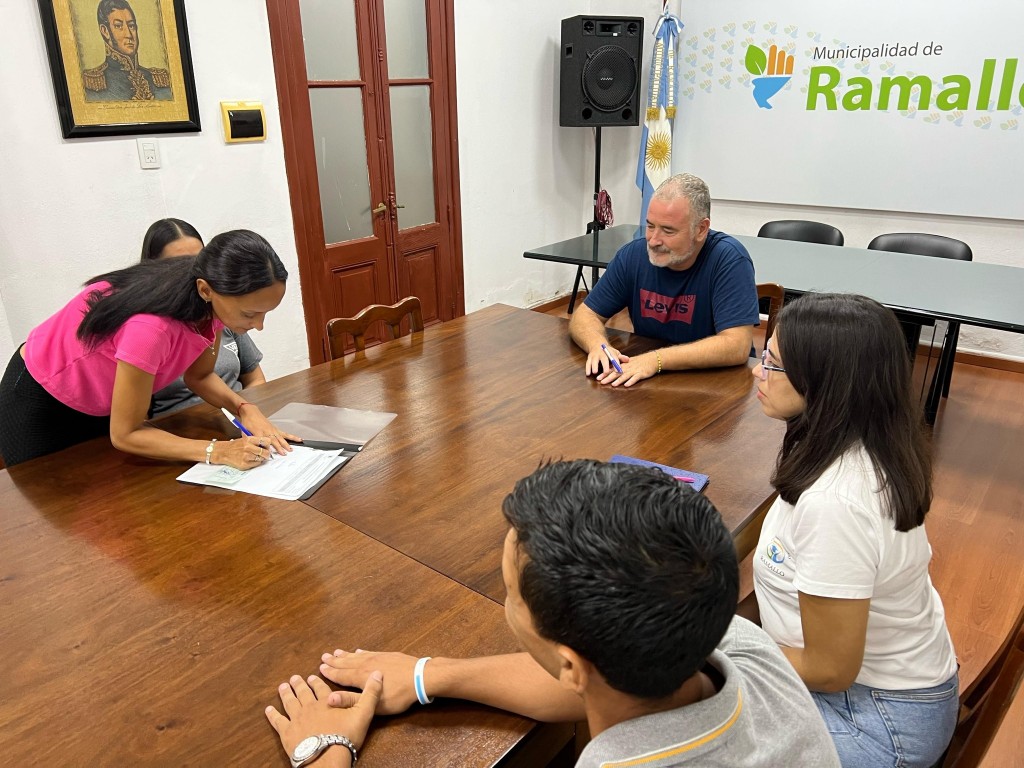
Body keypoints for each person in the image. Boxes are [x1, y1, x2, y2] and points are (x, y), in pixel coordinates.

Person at [266, 460, 840, 768]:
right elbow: (591, 683)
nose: (508, 602)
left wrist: (323, 753)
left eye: (511, 593)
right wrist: (426, 675)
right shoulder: (737, 641)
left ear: (570, 661)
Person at [742, 293, 959, 767]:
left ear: (826, 382)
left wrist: (731, 653)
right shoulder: (860, 444)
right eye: (764, 355)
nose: (758, 372)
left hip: (876, 722)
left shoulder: (835, 501)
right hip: (882, 692)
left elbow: (830, 669)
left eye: (773, 365)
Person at [0, 229, 297, 468]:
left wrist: (245, 408)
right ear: (206, 290)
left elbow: (200, 376)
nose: (259, 326)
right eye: (249, 314)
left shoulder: (209, 305)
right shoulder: (152, 328)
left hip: (100, 401)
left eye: (265, 313)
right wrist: (219, 452)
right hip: (41, 402)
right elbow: (126, 434)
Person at [569, 173, 759, 387]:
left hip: (718, 384)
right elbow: (586, 315)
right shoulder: (633, 256)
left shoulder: (729, 259)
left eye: (668, 230)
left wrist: (656, 360)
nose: (653, 240)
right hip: (649, 381)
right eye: (650, 226)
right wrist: (598, 345)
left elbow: (736, 346)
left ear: (701, 229)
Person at [141, 219, 267, 416]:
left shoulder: (218, 310)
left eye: (197, 261)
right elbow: (133, 426)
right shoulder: (148, 330)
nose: (191, 273)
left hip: (237, 425)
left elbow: (255, 377)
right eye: (178, 264)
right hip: (183, 437)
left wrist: (249, 413)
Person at [82, 0, 172, 102]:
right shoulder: (92, 82)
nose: (129, 34)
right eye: (118, 26)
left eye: (131, 25)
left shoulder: (159, 79)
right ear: (105, 31)